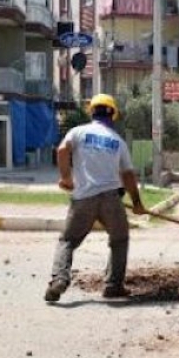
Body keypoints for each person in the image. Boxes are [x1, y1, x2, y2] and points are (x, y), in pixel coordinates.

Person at [44, 94, 147, 303]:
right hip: (111, 199)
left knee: (68, 240)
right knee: (119, 239)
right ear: (113, 115)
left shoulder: (78, 132)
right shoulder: (118, 141)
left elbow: (62, 150)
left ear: (92, 112)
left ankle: (59, 279)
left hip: (83, 198)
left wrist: (66, 178)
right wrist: (136, 202)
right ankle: (113, 286)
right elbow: (127, 175)